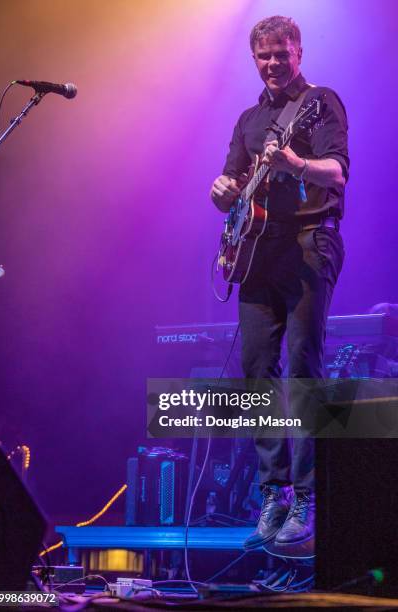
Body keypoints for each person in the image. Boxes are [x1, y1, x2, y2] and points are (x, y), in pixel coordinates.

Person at [210, 15, 349, 547]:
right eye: (263, 56)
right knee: (255, 372)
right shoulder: (248, 118)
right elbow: (232, 187)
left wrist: (294, 162)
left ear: (298, 51)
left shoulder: (321, 102)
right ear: (255, 59)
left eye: (281, 53)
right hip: (256, 255)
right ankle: (275, 493)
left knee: (303, 364)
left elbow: (337, 172)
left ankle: (311, 496)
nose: (272, 63)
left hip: (311, 243)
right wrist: (220, 191)